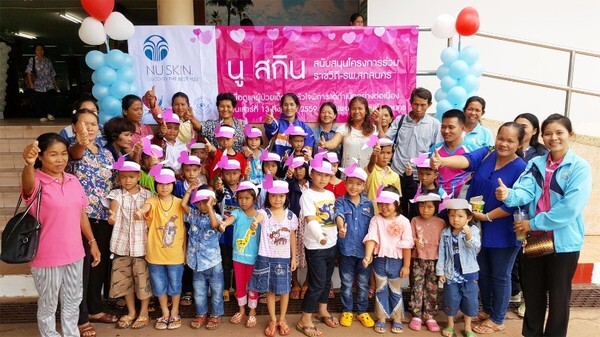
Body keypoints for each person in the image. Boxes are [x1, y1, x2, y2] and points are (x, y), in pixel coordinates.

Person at [496, 114, 592, 337]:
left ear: (571, 135)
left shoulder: (579, 167)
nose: (553, 138)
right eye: (548, 133)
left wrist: (533, 223)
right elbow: (526, 190)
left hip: (563, 244)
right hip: (535, 239)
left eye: (559, 132)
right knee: (533, 295)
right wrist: (509, 195)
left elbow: (570, 208)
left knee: (559, 299)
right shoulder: (536, 163)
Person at [430, 122, 528, 334]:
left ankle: (498, 318)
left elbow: (517, 202)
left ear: (519, 143)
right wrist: (443, 160)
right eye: (501, 138)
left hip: (503, 229)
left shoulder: (522, 168)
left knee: (500, 274)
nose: (503, 143)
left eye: (510, 141)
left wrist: (487, 216)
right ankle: (489, 310)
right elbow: (466, 161)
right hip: (476, 227)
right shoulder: (487, 154)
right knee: (481, 271)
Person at [21, 133, 100, 337]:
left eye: (64, 154)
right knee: (48, 304)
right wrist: (28, 165)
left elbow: (81, 213)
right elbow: (28, 186)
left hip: (75, 253)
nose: (60, 159)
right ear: (41, 157)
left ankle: (71, 334)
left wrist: (92, 242)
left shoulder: (73, 180)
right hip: (46, 255)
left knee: (73, 300)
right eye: (53, 155)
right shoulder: (37, 181)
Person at [68, 109, 118, 328]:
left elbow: (115, 182)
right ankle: (80, 316)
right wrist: (81, 141)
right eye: (83, 124)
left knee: (98, 265)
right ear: (74, 127)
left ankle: (95, 309)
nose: (89, 128)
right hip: (81, 218)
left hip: (104, 218)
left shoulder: (106, 153)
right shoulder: (72, 150)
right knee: (83, 269)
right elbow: (76, 152)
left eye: (92, 124)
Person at [134, 165, 187, 330]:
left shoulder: (180, 203)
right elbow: (145, 209)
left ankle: (175, 312)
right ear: (155, 184)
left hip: (175, 254)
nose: (164, 187)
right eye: (161, 183)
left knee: (176, 285)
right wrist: (140, 212)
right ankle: (165, 312)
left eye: (168, 183)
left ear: (173, 185)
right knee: (159, 285)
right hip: (155, 254)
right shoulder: (152, 201)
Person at [107, 158, 154, 329]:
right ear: (119, 178)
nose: (127, 180)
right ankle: (131, 311)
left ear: (139, 177)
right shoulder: (116, 194)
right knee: (125, 281)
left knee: (142, 280)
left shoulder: (148, 195)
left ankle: (144, 312)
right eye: (124, 177)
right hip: (121, 246)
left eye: (131, 177)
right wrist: (112, 216)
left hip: (141, 246)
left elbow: (151, 210)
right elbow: (114, 207)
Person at [510, 113, 549, 317]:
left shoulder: (541, 154)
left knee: (531, 255)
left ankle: (529, 300)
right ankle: (515, 292)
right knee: (515, 255)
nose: (520, 128)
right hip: (512, 210)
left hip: (532, 213)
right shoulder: (510, 148)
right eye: (517, 124)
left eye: (524, 126)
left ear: (534, 131)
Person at [249, 175, 298, 336]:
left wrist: (294, 257)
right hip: (266, 257)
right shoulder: (265, 212)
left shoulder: (290, 216)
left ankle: (282, 318)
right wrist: (255, 222)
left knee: (284, 290)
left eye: (281, 196)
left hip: (283, 259)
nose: (277, 199)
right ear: (268, 196)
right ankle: (272, 319)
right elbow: (258, 217)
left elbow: (292, 236)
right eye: (274, 195)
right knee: (269, 290)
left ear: (286, 197)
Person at [383, 87, 442, 216]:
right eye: (416, 104)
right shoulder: (400, 120)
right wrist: (378, 125)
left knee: (418, 212)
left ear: (429, 105)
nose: (419, 108)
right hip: (398, 174)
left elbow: (436, 150)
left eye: (423, 105)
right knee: (397, 210)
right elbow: (386, 140)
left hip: (421, 178)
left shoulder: (434, 124)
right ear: (410, 102)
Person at [362, 185, 413, 334]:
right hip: (379, 261)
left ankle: (397, 318)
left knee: (396, 290)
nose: (383, 207)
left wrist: (406, 266)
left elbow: (407, 245)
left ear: (396, 203)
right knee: (381, 289)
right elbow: (371, 238)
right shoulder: (375, 220)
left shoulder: (404, 221)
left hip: (397, 263)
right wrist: (367, 256)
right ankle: (381, 318)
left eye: (387, 204)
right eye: (381, 203)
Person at [297, 156, 338, 337]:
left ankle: (322, 310)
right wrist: (320, 236)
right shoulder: (307, 195)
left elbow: (333, 216)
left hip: (332, 243)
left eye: (326, 175)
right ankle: (304, 319)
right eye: (319, 174)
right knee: (317, 283)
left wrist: (341, 227)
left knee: (326, 281)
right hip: (315, 246)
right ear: (311, 173)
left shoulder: (330, 194)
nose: (323, 178)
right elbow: (310, 219)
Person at [334, 163, 375, 328]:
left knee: (364, 283)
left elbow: (372, 228)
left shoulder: (368, 204)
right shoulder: (340, 201)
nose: (354, 187)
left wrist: (370, 252)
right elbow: (339, 215)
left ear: (364, 186)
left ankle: (362, 311)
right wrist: (340, 227)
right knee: (346, 282)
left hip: (364, 252)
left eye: (358, 184)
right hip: (346, 250)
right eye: (351, 182)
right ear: (345, 183)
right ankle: (347, 311)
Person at [218, 182, 261, 328]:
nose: (243, 201)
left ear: (254, 199)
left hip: (254, 258)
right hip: (238, 257)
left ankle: (252, 312)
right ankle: (242, 310)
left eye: (247, 198)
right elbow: (231, 219)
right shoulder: (237, 213)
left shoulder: (260, 216)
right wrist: (224, 224)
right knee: (240, 285)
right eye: (241, 198)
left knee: (253, 286)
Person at [436, 199, 481, 337]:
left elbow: (476, 247)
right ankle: (450, 325)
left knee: (470, 300)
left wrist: (467, 233)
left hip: (470, 273)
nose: (455, 219)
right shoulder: (445, 233)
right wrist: (440, 272)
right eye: (452, 215)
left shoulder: (473, 230)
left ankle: (468, 327)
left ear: (469, 217)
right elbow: (442, 254)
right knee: (451, 298)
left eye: (460, 216)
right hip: (451, 273)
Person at [183, 187, 225, 330]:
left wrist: (210, 206)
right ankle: (201, 314)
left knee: (216, 291)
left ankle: (216, 314)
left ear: (213, 202)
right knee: (199, 292)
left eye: (205, 202)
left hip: (213, 262)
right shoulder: (194, 215)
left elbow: (214, 225)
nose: (202, 205)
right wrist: (189, 191)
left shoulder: (217, 217)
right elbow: (183, 206)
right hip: (196, 263)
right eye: (199, 203)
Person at [407, 193, 445, 332]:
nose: (425, 210)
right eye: (422, 206)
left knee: (432, 287)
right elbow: (410, 236)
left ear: (436, 207)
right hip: (418, 258)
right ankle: (416, 315)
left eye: (429, 207)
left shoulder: (441, 222)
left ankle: (429, 315)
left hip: (435, 260)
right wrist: (416, 241)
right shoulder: (415, 221)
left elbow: (444, 242)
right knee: (417, 286)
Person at [319, 96, 378, 168]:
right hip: (349, 175)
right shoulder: (344, 128)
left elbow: (382, 145)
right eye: (353, 109)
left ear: (366, 111)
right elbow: (334, 142)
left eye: (360, 108)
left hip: (368, 173)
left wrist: (379, 124)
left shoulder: (373, 129)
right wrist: (325, 144)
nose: (356, 111)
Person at [431, 109, 477, 198]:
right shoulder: (435, 149)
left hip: (461, 203)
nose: (446, 131)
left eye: (451, 127)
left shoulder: (473, 150)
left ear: (462, 128)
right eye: (443, 127)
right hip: (438, 201)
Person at [264, 93, 315, 157]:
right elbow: (271, 129)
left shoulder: (305, 128)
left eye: (292, 104)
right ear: (281, 107)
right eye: (285, 105)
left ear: (297, 106)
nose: (288, 108)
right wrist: (269, 123)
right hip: (278, 165)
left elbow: (308, 148)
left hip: (298, 165)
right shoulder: (277, 123)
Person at [366, 138, 401, 214]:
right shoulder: (371, 170)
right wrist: (374, 154)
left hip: (388, 215)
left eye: (388, 153)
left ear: (392, 154)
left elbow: (396, 199)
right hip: (371, 213)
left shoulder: (395, 176)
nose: (385, 156)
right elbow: (372, 163)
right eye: (381, 153)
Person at [25, 44, 59, 122]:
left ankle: (50, 114)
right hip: (37, 83)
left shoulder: (48, 60)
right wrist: (30, 83)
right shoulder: (32, 60)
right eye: (38, 49)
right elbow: (28, 72)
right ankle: (42, 115)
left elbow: (52, 73)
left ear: (43, 51)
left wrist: (55, 84)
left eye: (41, 49)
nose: (40, 51)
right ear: (35, 51)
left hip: (48, 83)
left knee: (50, 99)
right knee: (39, 100)